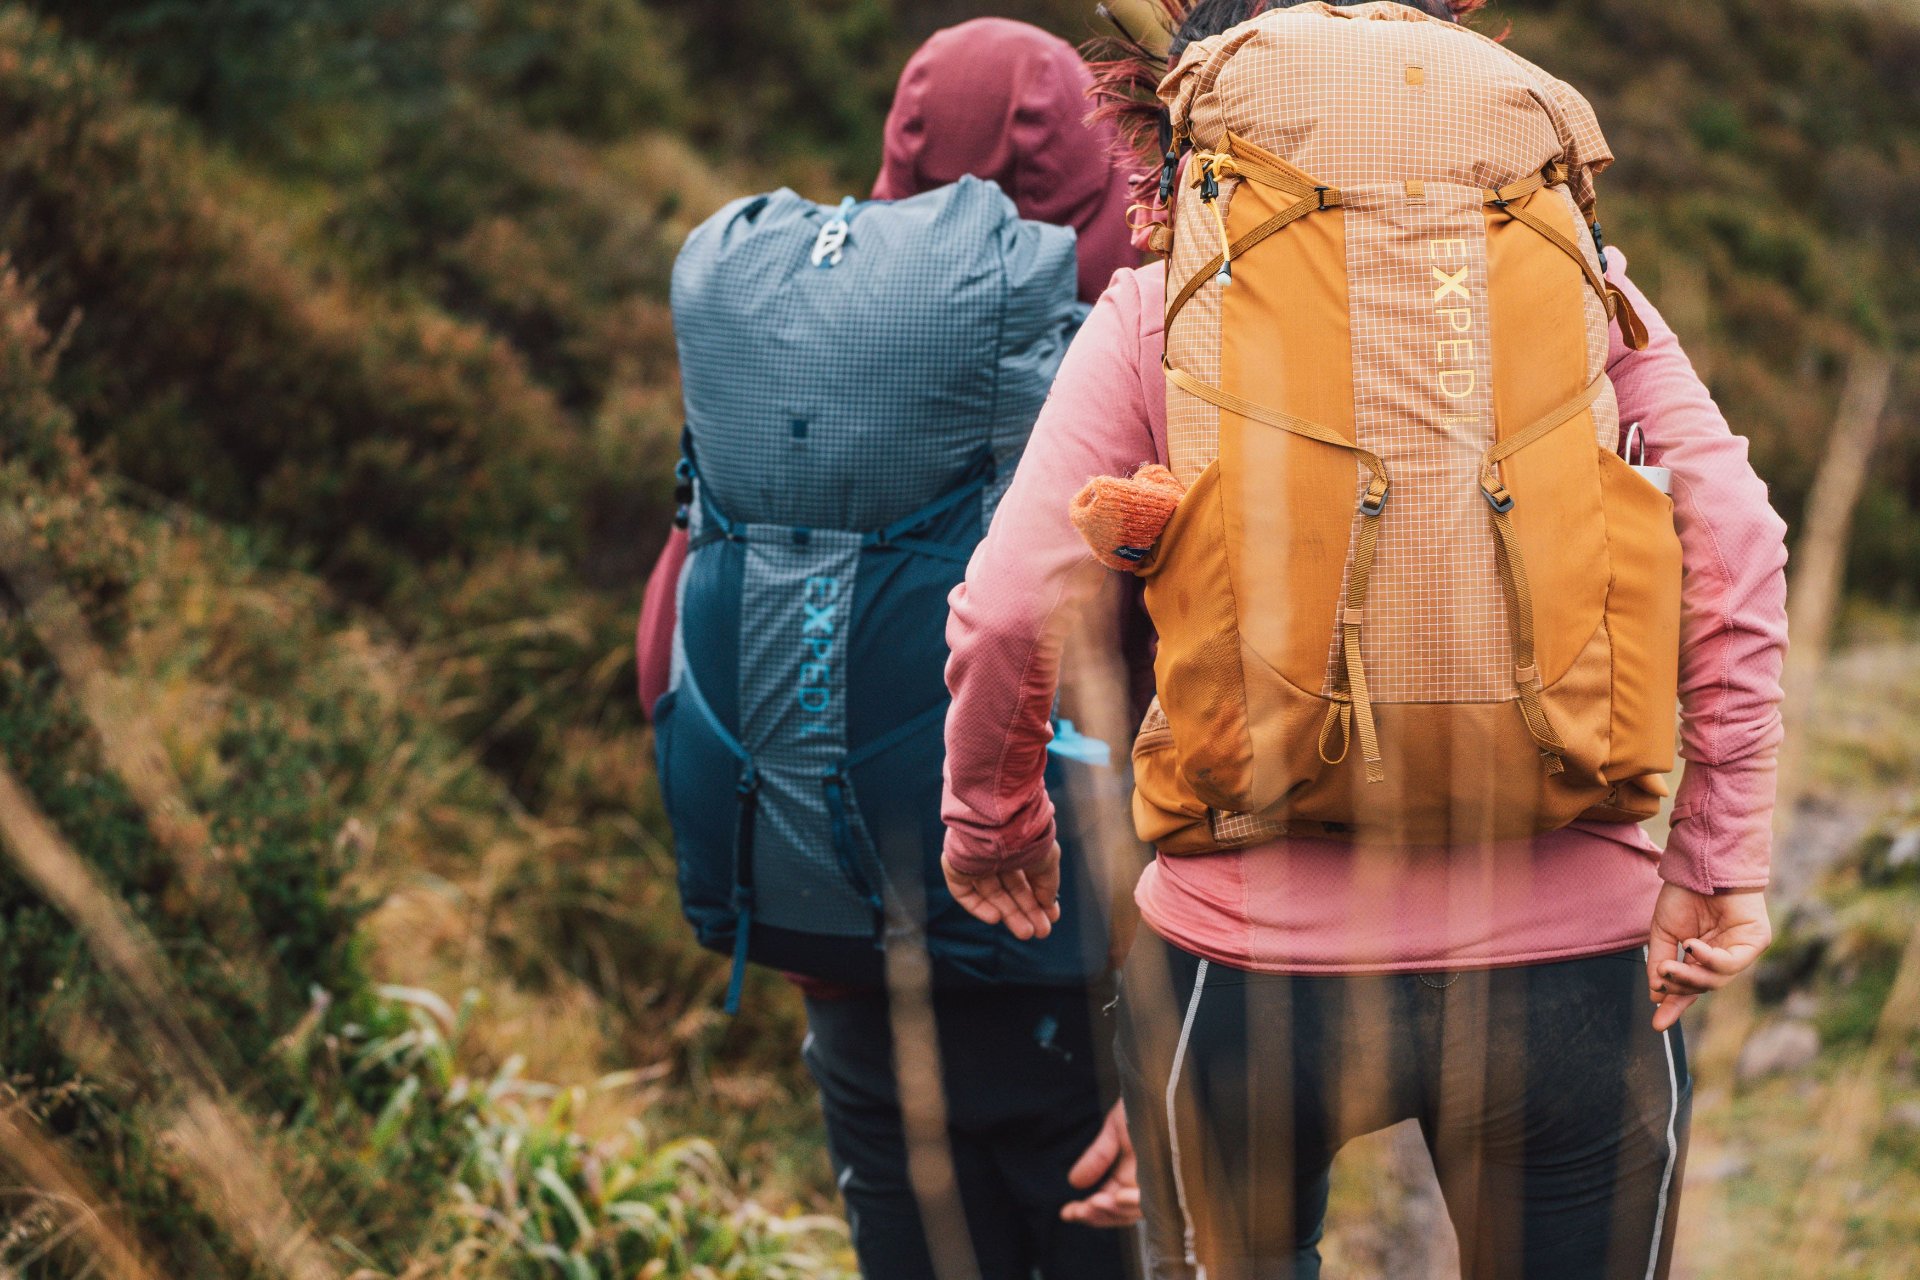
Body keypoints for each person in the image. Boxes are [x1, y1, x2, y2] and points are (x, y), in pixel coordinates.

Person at [938, 2, 1789, 1277]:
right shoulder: (1575, 280)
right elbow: (1737, 542)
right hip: (1570, 957)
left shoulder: (1161, 302)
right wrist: (1716, 855)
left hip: (1243, 962)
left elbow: (1012, 603)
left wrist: (995, 820)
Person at [638, 18, 1146, 1278]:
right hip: (1077, 984)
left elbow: (664, 649)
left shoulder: (811, 346)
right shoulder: (1129, 360)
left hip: (854, 975)